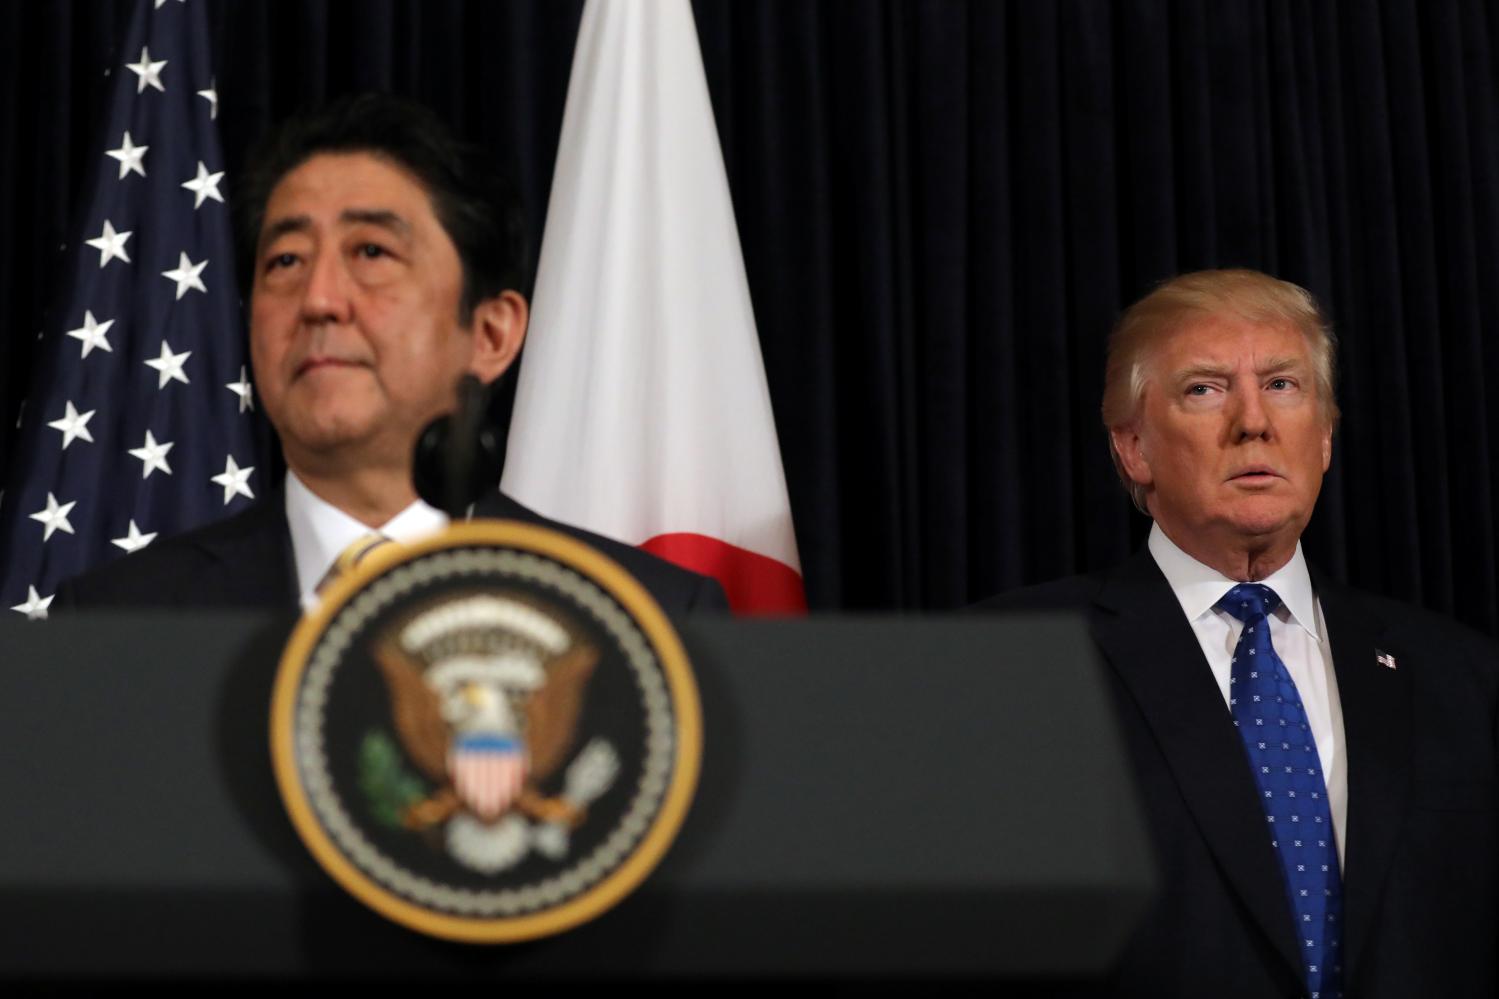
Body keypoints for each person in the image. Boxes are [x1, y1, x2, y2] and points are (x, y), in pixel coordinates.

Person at [977, 269, 1498, 997]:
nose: (1253, 421)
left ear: (1322, 436)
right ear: (1132, 447)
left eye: (1283, 384)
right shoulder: (1010, 665)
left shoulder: (1462, 675)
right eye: (1205, 388)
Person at [55, 94, 726, 614]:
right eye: (285, 260)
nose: (319, 299)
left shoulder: (645, 621)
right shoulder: (118, 621)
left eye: (371, 252)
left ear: (491, 333)